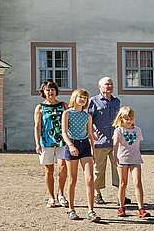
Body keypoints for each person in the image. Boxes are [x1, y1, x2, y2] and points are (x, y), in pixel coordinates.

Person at [88, 77, 129, 205]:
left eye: (111, 84)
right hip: (100, 141)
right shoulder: (93, 101)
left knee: (119, 168)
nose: (109, 86)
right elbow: (88, 119)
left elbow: (120, 120)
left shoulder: (117, 101)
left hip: (116, 141)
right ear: (100, 87)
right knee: (98, 169)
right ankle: (97, 194)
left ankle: (120, 195)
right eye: (107, 84)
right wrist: (93, 132)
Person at [62, 88, 100, 222]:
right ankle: (71, 209)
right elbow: (64, 132)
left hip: (85, 147)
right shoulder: (67, 113)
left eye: (85, 98)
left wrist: (93, 152)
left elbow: (90, 135)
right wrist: (71, 146)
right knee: (72, 179)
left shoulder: (87, 116)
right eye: (81, 97)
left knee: (89, 179)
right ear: (75, 98)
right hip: (72, 145)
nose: (83, 99)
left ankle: (91, 211)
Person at [33, 79, 69, 208]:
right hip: (46, 141)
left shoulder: (63, 105)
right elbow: (37, 127)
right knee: (49, 170)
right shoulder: (40, 107)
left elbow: (69, 121)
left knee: (63, 167)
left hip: (62, 141)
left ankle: (61, 194)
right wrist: (37, 143)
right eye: (47, 89)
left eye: (52, 89)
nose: (50, 92)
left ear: (56, 91)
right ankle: (51, 197)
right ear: (43, 91)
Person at [112, 106, 151, 218]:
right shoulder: (118, 130)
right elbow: (115, 145)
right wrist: (115, 157)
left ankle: (141, 208)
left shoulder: (137, 130)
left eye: (131, 118)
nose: (129, 121)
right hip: (122, 159)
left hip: (135, 160)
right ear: (121, 119)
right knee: (123, 183)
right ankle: (121, 207)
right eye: (126, 118)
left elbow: (138, 144)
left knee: (137, 183)